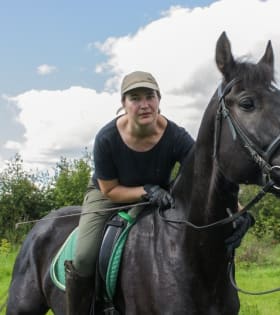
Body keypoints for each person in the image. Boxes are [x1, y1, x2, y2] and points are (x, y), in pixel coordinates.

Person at [64, 70, 195, 315]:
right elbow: (110, 189)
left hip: (158, 195)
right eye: (135, 98)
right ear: (123, 104)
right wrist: (145, 191)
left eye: (150, 96)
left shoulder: (176, 135)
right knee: (83, 257)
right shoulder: (106, 138)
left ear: (159, 99)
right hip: (109, 194)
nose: (144, 105)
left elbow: (203, 174)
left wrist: (238, 211)